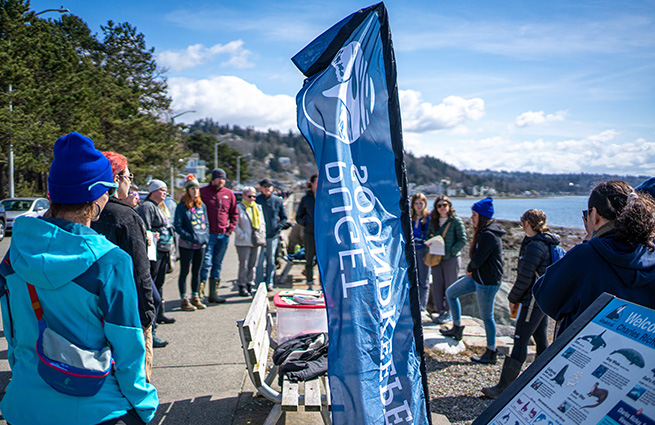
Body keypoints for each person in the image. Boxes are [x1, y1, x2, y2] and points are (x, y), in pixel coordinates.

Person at [0, 132, 158, 424]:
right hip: (96, 406)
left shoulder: (14, 255)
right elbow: (128, 348)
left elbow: (15, 337)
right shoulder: (110, 261)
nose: (109, 196)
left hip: (23, 404)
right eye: (107, 190)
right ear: (95, 194)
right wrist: (143, 405)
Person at [534, 181, 655, 337]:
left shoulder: (587, 255)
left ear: (595, 215)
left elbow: (546, 297)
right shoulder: (650, 254)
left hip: (586, 353)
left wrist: (589, 242)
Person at [91, 151, 160, 380]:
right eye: (129, 177)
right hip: (127, 311)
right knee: (136, 375)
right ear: (116, 178)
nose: (131, 184)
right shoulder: (125, 217)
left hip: (91, 311)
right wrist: (147, 312)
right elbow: (141, 272)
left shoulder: (83, 212)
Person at [482, 209, 559, 399]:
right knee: (541, 339)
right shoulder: (545, 241)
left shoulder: (534, 246)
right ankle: (543, 383)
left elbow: (524, 279)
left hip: (532, 299)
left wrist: (512, 298)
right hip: (542, 297)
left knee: (520, 339)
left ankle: (503, 388)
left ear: (526, 223)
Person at [441, 196, 505, 365]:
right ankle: (457, 328)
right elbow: (477, 259)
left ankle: (491, 352)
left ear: (483, 216)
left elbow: (478, 259)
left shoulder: (489, 235)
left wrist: (470, 269)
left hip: (487, 282)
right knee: (451, 293)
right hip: (478, 277)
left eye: (474, 215)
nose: (471, 218)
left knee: (487, 317)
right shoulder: (485, 232)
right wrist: (472, 270)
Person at [138, 179, 177, 324]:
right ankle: (152, 320)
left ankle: (160, 313)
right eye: (162, 189)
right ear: (153, 191)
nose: (165, 192)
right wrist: (154, 235)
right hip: (155, 251)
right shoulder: (147, 206)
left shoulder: (161, 206)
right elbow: (146, 229)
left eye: (166, 190)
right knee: (153, 284)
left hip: (165, 248)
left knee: (160, 283)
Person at [200, 168, 238, 302]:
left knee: (217, 264)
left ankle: (213, 293)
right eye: (218, 178)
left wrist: (230, 229)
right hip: (208, 235)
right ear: (212, 179)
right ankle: (199, 294)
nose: (221, 181)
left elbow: (234, 213)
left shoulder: (228, 194)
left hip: (223, 235)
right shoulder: (203, 192)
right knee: (205, 264)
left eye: (223, 179)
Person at [427, 195, 467, 324]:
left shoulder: (456, 221)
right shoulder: (433, 220)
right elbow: (428, 235)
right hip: (436, 257)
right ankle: (440, 311)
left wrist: (451, 251)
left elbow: (462, 240)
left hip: (451, 259)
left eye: (444, 205)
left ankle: (450, 312)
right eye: (439, 206)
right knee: (437, 285)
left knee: (450, 286)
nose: (442, 208)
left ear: (449, 206)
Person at [174, 175, 210, 311]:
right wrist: (189, 237)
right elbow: (178, 226)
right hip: (187, 245)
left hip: (200, 244)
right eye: (192, 189)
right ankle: (184, 299)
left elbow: (206, 223)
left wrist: (205, 237)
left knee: (197, 271)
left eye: (197, 189)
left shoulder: (202, 206)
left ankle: (196, 296)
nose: (195, 191)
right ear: (188, 190)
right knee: (185, 271)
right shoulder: (182, 206)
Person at [255, 178, 289, 290]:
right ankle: (259, 282)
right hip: (259, 235)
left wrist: (278, 227)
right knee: (259, 262)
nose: (267, 188)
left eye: (269, 186)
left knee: (271, 260)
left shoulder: (277, 200)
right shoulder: (257, 200)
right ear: (261, 188)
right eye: (265, 186)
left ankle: (269, 282)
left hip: (272, 235)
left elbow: (284, 217)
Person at [235, 186, 267, 296]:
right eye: (249, 196)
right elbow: (235, 224)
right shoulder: (239, 208)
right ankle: (242, 284)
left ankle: (250, 283)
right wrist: (242, 235)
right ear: (243, 196)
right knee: (244, 264)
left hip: (256, 239)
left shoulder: (257, 208)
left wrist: (261, 233)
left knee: (253, 264)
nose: (252, 198)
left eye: (254, 196)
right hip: (243, 241)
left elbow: (262, 222)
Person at [296, 174, 318, 290]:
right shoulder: (306, 199)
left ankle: (322, 284)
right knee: (309, 259)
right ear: (312, 184)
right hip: (309, 232)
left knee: (322, 260)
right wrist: (307, 222)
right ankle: (309, 283)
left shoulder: (325, 196)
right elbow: (298, 216)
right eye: (316, 182)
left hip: (323, 234)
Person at [410, 193, 431, 311]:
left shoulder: (428, 217)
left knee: (424, 279)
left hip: (424, 250)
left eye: (421, 203)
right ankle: (414, 305)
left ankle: (422, 307)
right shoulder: (410, 217)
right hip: (412, 250)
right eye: (416, 203)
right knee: (413, 278)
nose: (418, 206)